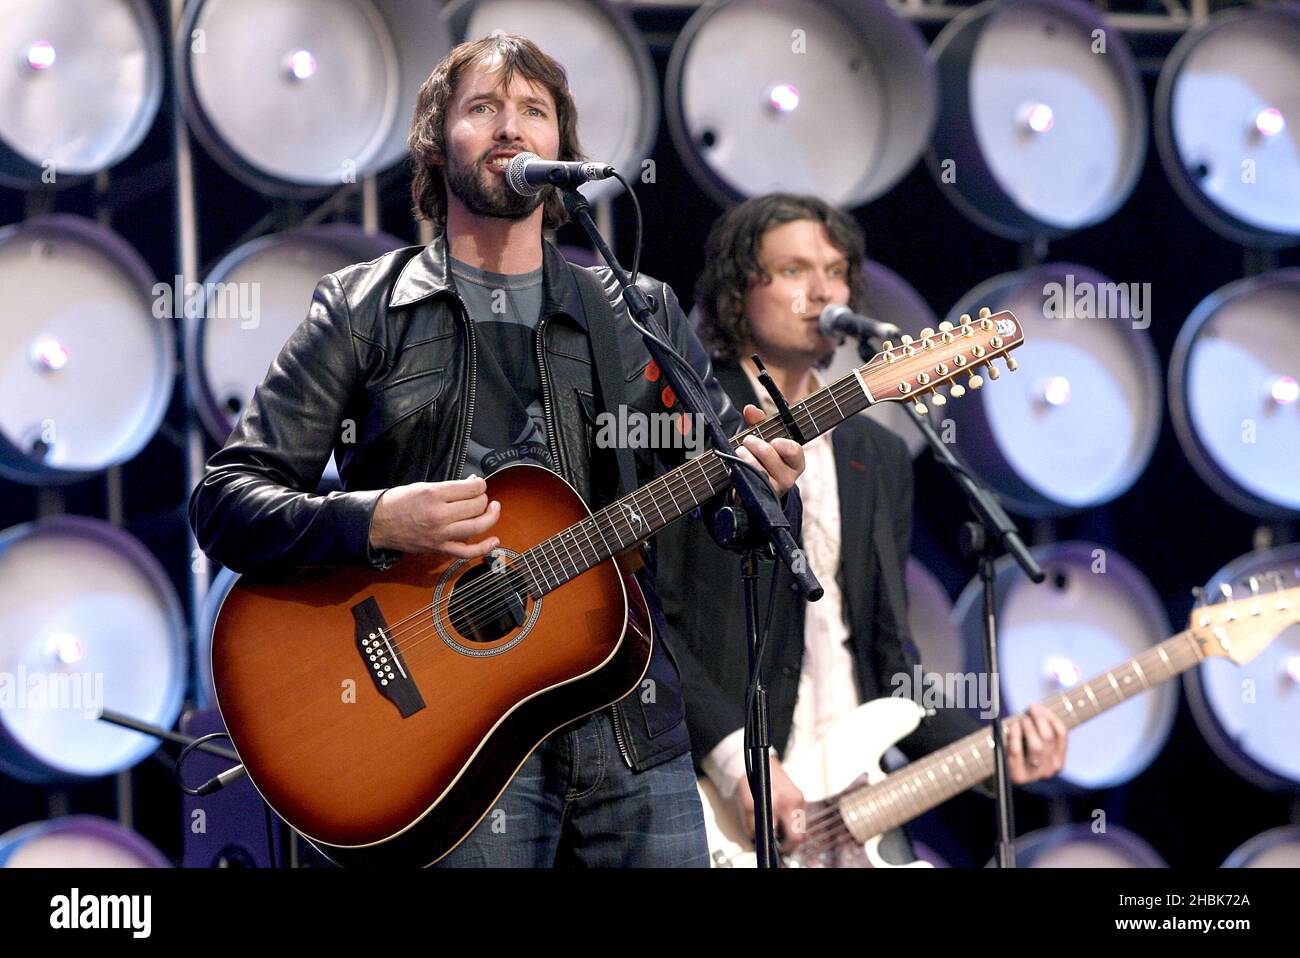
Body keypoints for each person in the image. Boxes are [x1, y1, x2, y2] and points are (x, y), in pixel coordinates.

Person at [187, 35, 804, 868]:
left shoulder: (637, 312)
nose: (511, 128)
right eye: (483, 109)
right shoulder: (366, 307)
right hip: (448, 734)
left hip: (629, 721)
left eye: (534, 112)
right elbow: (227, 501)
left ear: (562, 153)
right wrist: (374, 519)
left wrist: (761, 484)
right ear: (439, 148)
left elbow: (722, 500)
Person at [654, 193, 1068, 864]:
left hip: (852, 808)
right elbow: (650, 620)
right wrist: (738, 765)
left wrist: (995, 754)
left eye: (837, 269)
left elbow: (889, 659)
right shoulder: (686, 424)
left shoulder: (874, 454)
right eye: (793, 270)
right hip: (718, 804)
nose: (823, 289)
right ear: (736, 292)